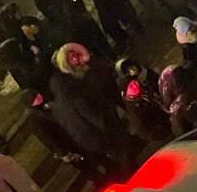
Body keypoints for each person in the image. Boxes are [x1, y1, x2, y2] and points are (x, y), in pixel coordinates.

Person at [49, 43, 135, 173]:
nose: (76, 59)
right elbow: (90, 112)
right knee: (125, 156)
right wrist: (109, 123)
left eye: (76, 55)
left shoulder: (69, 88)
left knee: (124, 155)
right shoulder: (73, 90)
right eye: (71, 58)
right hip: (100, 131)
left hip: (94, 134)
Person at [115, 58, 171, 145]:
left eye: (132, 67)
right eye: (128, 70)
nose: (132, 70)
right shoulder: (130, 91)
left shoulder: (147, 75)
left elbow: (160, 86)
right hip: (155, 125)